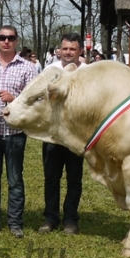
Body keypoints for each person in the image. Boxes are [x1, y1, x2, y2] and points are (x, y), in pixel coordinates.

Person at [0, 25, 38, 238]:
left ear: (16, 41)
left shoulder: (28, 68)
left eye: (10, 38)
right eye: (2, 37)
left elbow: (34, 101)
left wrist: (15, 99)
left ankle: (15, 223)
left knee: (15, 180)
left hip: (14, 133)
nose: (6, 41)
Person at [39, 33, 85, 235]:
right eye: (65, 48)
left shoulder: (87, 72)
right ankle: (50, 218)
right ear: (59, 50)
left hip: (76, 135)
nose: (68, 52)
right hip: (53, 134)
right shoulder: (50, 70)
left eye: (72, 49)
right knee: (51, 177)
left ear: (80, 51)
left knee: (74, 178)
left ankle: (70, 220)